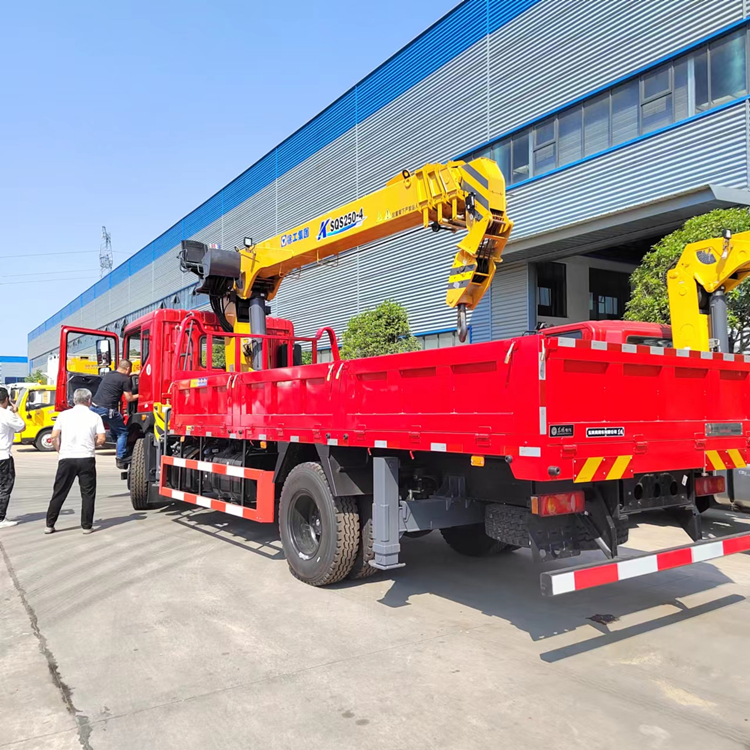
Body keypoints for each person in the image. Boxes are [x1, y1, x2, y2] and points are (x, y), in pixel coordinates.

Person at [45, 388, 106, 535]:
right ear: (89, 400)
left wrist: (59, 449)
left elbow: (54, 436)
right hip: (86, 458)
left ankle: (49, 524)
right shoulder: (95, 417)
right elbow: (102, 439)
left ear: (74, 400)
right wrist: (92, 444)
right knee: (87, 493)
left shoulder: (63, 415)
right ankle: (86, 526)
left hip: (67, 457)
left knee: (59, 492)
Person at [90, 359, 137, 468]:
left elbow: (119, 377)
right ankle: (120, 458)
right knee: (123, 433)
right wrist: (142, 395)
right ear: (128, 369)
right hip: (107, 410)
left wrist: (133, 374)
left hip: (94, 407)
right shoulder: (125, 380)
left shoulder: (110, 374)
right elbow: (129, 398)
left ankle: (113, 439)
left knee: (112, 426)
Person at [0, 387, 26, 529]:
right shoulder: (6, 414)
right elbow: (22, 427)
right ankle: (1, 518)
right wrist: (15, 411)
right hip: (3, 456)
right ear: (6, 399)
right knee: (5, 487)